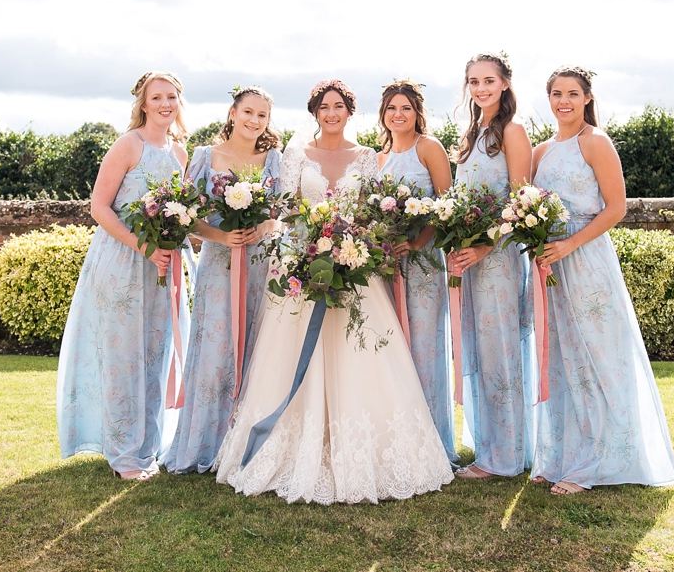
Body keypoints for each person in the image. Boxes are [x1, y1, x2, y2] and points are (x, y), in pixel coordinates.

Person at [215, 79, 454, 504]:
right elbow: (287, 208)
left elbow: (366, 210)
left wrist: (349, 246)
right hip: (303, 265)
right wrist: (307, 247)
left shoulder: (366, 157)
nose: (331, 113)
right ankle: (291, 450)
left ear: (349, 112)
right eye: (324, 106)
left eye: (339, 106)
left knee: (358, 357)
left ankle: (362, 456)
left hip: (352, 264)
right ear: (314, 112)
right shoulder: (294, 153)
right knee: (290, 361)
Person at [531, 66, 674, 494]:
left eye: (573, 94)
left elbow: (616, 208)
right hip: (549, 265)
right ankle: (561, 454)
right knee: (560, 357)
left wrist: (570, 244)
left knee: (598, 355)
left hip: (586, 260)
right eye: (557, 94)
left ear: (587, 98)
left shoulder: (595, 142)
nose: (565, 101)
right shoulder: (541, 151)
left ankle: (601, 461)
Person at [57, 71, 191, 481]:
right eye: (157, 97)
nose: (165, 104)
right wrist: (144, 247)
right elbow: (99, 207)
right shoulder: (128, 144)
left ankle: (147, 449)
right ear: (144, 104)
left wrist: (172, 244)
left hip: (162, 268)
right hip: (122, 261)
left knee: (156, 354)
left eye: (172, 96)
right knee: (123, 359)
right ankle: (123, 456)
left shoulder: (180, 153)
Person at [162, 86, 283, 474]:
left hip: (261, 262)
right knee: (215, 353)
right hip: (219, 264)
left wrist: (263, 224)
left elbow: (282, 211)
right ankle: (204, 445)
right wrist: (219, 236)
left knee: (256, 349)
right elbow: (185, 211)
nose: (254, 120)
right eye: (248, 112)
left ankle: (245, 448)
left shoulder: (273, 159)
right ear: (232, 113)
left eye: (262, 115)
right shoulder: (203, 156)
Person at [449, 52, 533, 479]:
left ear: (504, 83)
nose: (481, 88)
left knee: (500, 352)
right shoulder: (471, 134)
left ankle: (505, 457)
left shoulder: (513, 132)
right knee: (479, 352)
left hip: (498, 259)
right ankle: (489, 446)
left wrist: (483, 247)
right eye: (474, 81)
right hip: (470, 260)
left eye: (488, 80)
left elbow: (520, 203)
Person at [376, 79, 458, 465]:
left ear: (417, 111)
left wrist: (417, 241)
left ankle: (434, 445)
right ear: (383, 114)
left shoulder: (430, 148)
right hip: (388, 263)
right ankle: (400, 440)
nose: (398, 114)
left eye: (405, 108)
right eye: (392, 108)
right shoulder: (379, 156)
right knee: (395, 349)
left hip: (423, 263)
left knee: (425, 348)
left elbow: (447, 208)